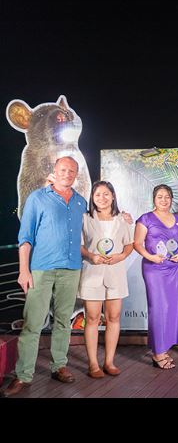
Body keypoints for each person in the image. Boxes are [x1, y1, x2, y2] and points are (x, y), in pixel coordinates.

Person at [2, 157, 88, 397]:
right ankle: (23, 375)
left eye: (72, 171)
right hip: (41, 268)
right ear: (54, 171)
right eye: (63, 169)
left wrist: (123, 218)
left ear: (76, 174)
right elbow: (25, 237)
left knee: (63, 321)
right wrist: (23, 270)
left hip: (71, 268)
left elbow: (93, 228)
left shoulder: (80, 202)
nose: (67, 173)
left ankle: (59, 365)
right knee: (33, 323)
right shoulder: (37, 198)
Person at [79, 181, 134, 379]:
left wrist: (121, 256)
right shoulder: (85, 219)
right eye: (97, 195)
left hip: (115, 273)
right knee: (92, 318)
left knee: (114, 317)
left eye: (106, 194)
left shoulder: (123, 219)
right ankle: (93, 364)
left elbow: (129, 244)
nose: (102, 198)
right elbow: (80, 245)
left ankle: (109, 362)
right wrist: (91, 256)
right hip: (92, 273)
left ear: (113, 196)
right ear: (92, 198)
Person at [133, 184, 178, 369]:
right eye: (160, 197)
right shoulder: (145, 219)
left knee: (171, 309)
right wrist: (151, 257)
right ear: (154, 199)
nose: (164, 200)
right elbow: (137, 243)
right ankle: (158, 353)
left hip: (173, 269)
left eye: (167, 197)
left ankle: (163, 348)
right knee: (158, 308)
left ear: (171, 199)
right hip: (154, 269)